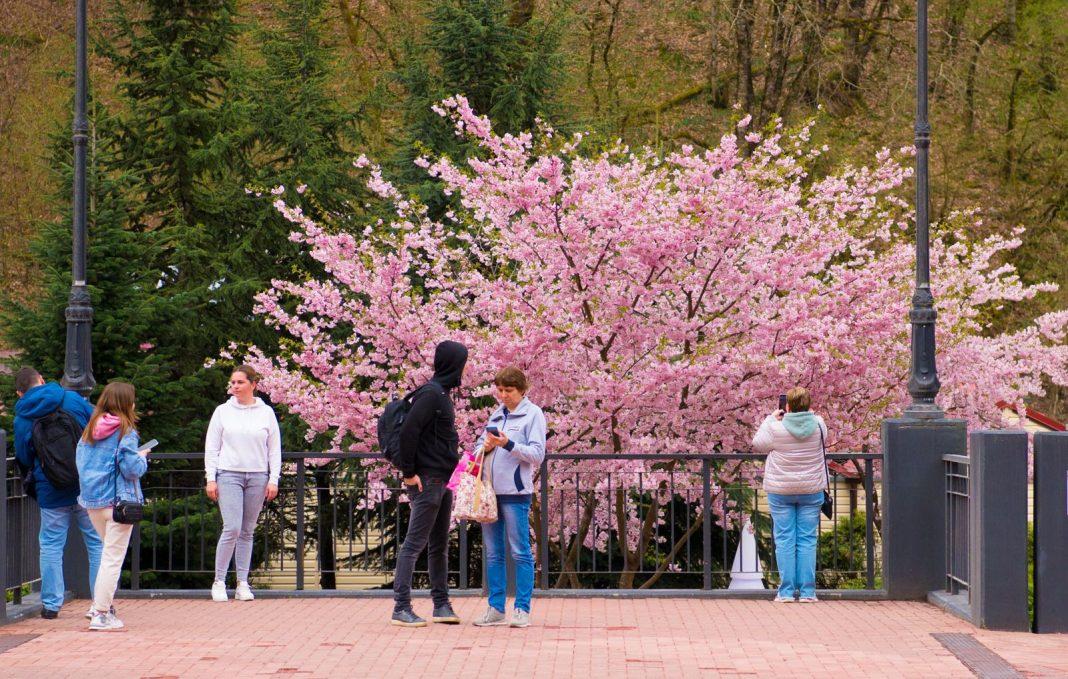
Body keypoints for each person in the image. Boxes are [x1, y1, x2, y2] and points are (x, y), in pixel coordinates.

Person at [12, 366, 102, 620]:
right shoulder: (70, 398)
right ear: (41, 380)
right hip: (85, 484)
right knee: (95, 542)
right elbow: (98, 426)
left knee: (51, 544)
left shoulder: (22, 417)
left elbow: (24, 455)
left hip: (50, 487)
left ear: (21, 393)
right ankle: (100, 602)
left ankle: (52, 604)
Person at [391, 340, 468, 628]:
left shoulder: (441, 394)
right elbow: (409, 432)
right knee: (414, 544)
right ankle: (401, 606)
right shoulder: (431, 395)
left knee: (439, 545)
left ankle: (441, 604)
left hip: (443, 479)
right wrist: (409, 472)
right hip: (428, 479)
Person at [471, 367, 546, 629]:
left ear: (522, 390)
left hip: (515, 493)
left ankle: (522, 608)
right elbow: (477, 448)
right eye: (500, 390)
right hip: (490, 492)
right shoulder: (497, 414)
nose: (504, 395)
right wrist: (486, 446)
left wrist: (508, 445)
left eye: (509, 390)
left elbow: (537, 454)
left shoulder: (533, 414)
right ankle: (495, 608)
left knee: (520, 551)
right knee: (493, 553)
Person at [204, 365, 281, 602]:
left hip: (257, 475)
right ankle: (219, 581)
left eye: (240, 382)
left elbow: (274, 449)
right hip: (229, 475)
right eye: (233, 382)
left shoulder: (266, 412)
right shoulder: (222, 411)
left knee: (247, 531)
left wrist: (273, 479)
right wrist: (211, 478)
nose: (235, 387)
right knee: (232, 528)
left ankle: (242, 583)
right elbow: (212, 447)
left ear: (253, 384)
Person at [76, 381, 148, 630]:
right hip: (118, 504)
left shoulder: (90, 430)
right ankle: (100, 612)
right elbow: (130, 469)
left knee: (107, 554)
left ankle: (99, 604)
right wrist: (141, 459)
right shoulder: (126, 432)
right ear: (127, 403)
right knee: (112, 559)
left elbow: (82, 465)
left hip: (93, 503)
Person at [752, 387, 829, 603]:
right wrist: (810, 415)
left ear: (787, 406)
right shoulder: (819, 425)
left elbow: (758, 443)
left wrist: (770, 418)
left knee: (785, 539)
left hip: (781, 490)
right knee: (807, 539)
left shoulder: (776, 427)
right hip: (811, 490)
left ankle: (785, 592)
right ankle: (807, 592)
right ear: (808, 405)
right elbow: (824, 436)